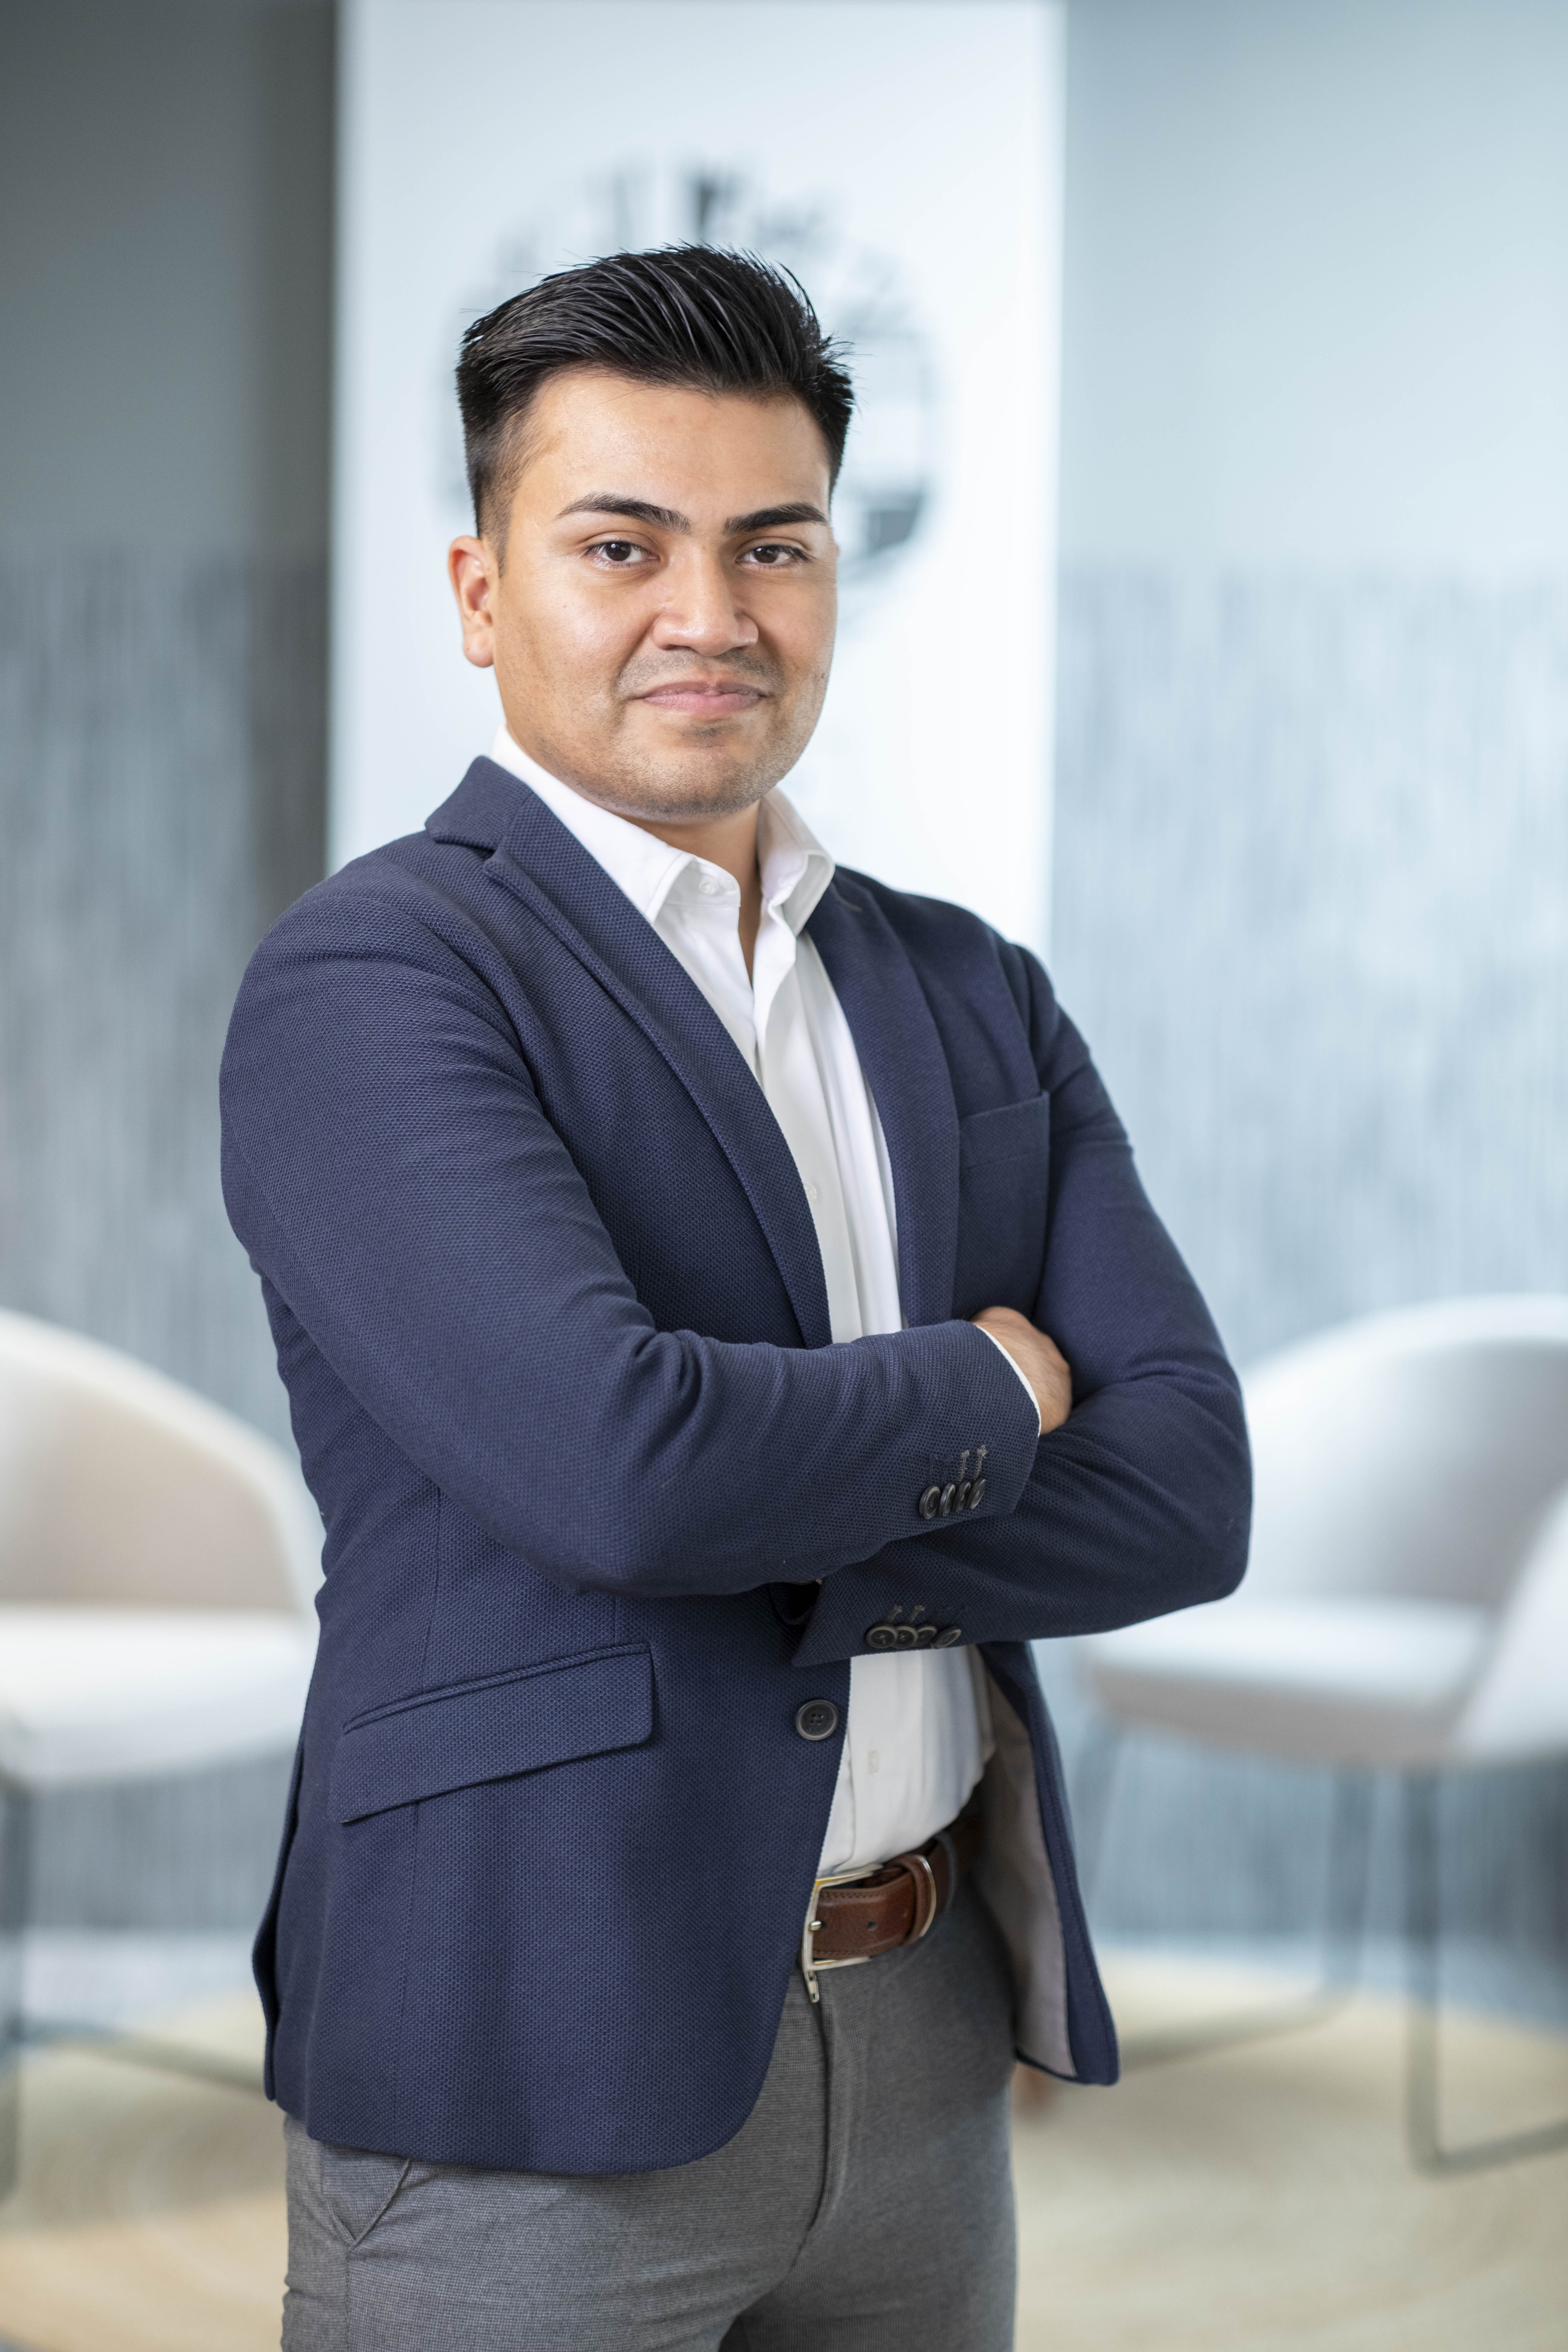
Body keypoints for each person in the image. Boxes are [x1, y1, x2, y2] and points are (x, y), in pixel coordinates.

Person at [221, 245, 1250, 2352]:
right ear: (483, 592)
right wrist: (991, 1389)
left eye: (773, 546)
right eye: (623, 546)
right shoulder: (378, 980)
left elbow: (1187, 1495)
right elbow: (626, 1469)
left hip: (927, 2026)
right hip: (532, 2034)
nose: (713, 612)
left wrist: (755, 1507)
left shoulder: (970, 989)